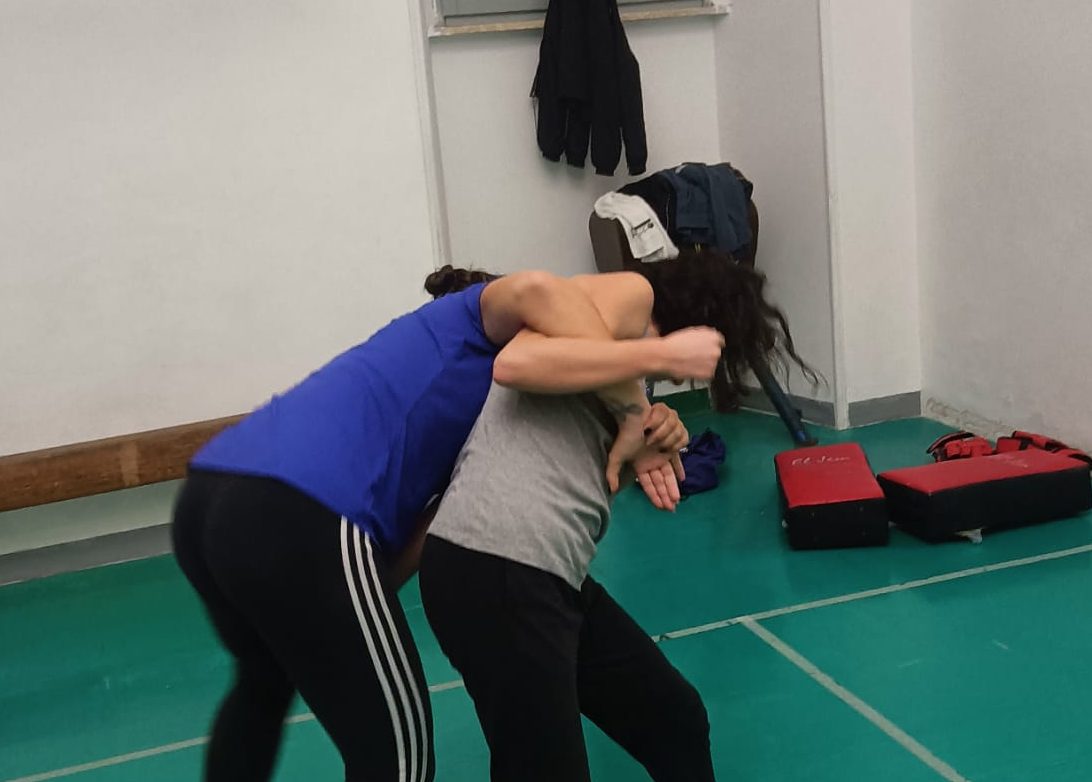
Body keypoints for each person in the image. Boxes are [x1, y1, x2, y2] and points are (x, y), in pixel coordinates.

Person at [170, 266, 724, 782]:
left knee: (263, 685)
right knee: (399, 761)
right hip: (303, 504)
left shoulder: (471, 415)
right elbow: (536, 290)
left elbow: (420, 542)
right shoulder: (477, 316)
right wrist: (643, 386)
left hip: (209, 496)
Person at [418, 248, 816, 781]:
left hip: (544, 572)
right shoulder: (630, 295)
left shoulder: (616, 363)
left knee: (673, 718)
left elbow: (600, 475)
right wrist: (660, 359)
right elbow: (516, 364)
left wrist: (649, 435)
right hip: (496, 565)